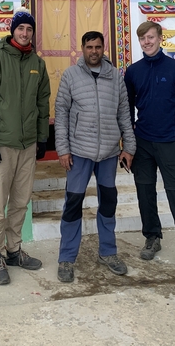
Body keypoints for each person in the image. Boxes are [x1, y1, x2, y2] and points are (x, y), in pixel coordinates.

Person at [0, 9, 50, 285]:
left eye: (29, 29)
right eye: (21, 29)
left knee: (20, 201)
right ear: (13, 31)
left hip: (28, 145)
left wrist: (43, 138)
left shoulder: (37, 65)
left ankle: (15, 250)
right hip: (2, 146)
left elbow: (43, 104)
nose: (25, 33)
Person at [54, 31, 136, 283]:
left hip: (110, 153)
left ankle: (108, 252)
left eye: (98, 47)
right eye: (89, 47)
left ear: (104, 48)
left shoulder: (115, 77)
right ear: (82, 48)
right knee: (73, 206)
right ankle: (67, 258)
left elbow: (124, 112)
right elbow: (61, 114)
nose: (94, 51)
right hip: (79, 152)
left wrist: (129, 146)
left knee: (108, 204)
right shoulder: (70, 75)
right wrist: (63, 149)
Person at [124, 21, 175, 275]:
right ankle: (152, 237)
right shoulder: (133, 72)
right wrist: (130, 139)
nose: (146, 42)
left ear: (160, 38)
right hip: (144, 142)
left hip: (171, 142)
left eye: (150, 37)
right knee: (145, 193)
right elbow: (127, 108)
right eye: (142, 39)